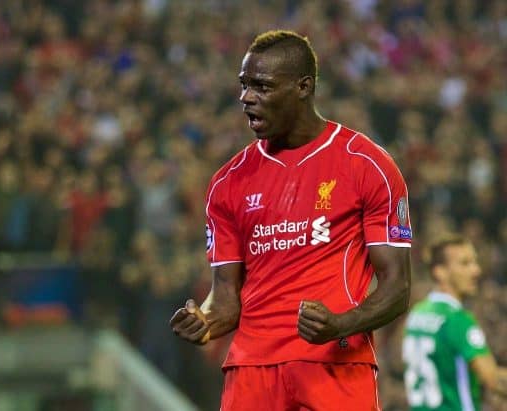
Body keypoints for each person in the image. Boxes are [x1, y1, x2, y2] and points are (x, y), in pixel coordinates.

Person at [169, 30, 412, 411]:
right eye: (244, 85)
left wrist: (342, 324)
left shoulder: (366, 164)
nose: (246, 98)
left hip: (334, 362)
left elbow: (397, 285)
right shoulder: (227, 183)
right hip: (252, 368)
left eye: (262, 86)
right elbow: (226, 301)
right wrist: (204, 321)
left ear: (303, 86)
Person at [402, 234, 507, 411]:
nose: (476, 271)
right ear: (440, 271)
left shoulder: (417, 314)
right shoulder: (457, 320)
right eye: (465, 263)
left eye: (474, 262)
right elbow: (494, 381)